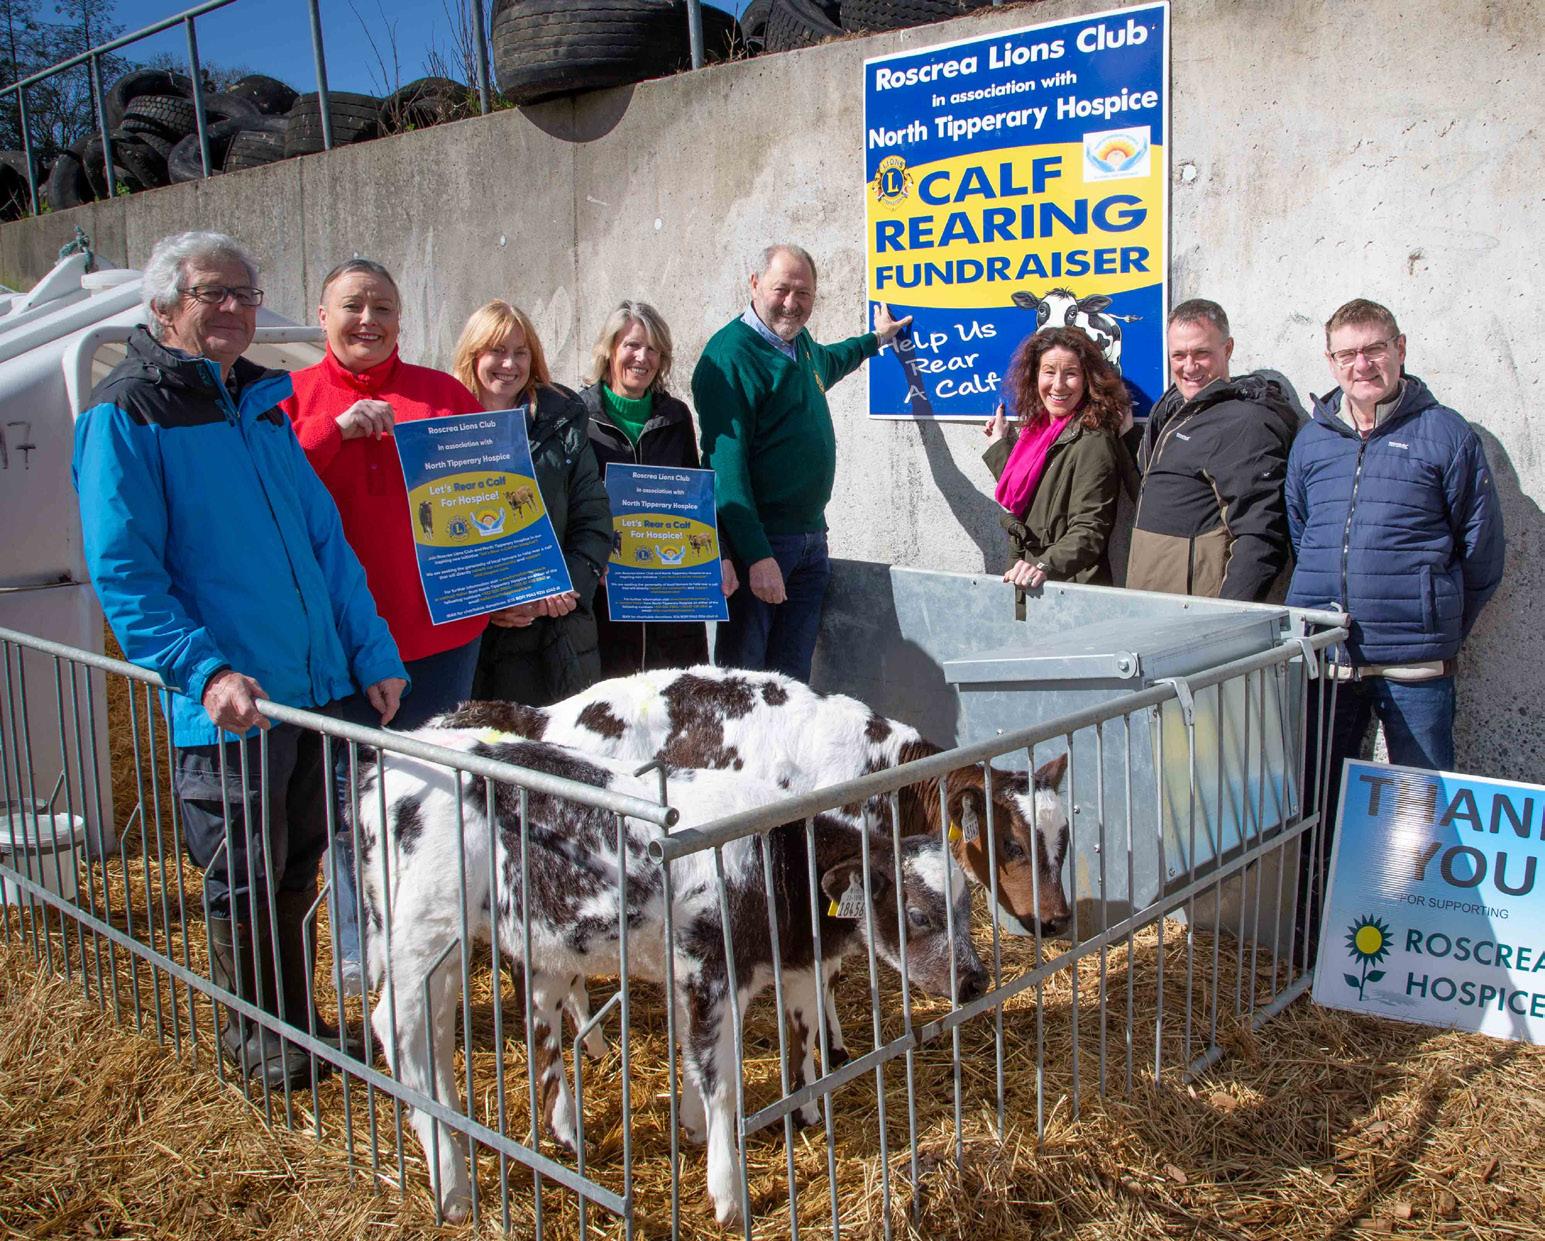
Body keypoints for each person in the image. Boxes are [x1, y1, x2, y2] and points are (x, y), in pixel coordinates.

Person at [72, 231, 406, 1088]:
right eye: (211, 293)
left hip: (309, 686)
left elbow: (324, 543)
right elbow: (125, 570)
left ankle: (298, 1023)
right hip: (232, 698)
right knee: (241, 875)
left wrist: (370, 650)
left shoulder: (260, 403)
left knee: (295, 864)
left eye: (246, 294)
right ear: (162, 307)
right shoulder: (127, 412)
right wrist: (204, 671)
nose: (233, 308)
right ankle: (258, 1042)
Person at [281, 257, 484, 991]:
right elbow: (269, 492)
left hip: (439, 636)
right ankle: (358, 950)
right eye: (353, 306)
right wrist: (331, 432)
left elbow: (489, 501)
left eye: (383, 308)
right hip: (335, 642)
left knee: (434, 794)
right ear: (322, 314)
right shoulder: (288, 400)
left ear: (402, 319)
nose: (368, 320)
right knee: (347, 802)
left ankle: (431, 944)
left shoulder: (443, 395)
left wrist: (510, 585)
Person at [1287, 298, 1504, 952]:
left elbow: (1481, 552)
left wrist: (1436, 622)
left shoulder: (1446, 434)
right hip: (1329, 658)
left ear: (1399, 349)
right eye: (1347, 353)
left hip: (1415, 665)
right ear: (1330, 361)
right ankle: (1315, 942)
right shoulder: (1312, 439)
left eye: (1374, 348)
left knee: (1421, 807)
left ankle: (1415, 952)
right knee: (1317, 800)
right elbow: (1303, 532)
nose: (1362, 364)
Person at [692, 243, 910, 680]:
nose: (792, 303)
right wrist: (756, 556)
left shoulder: (799, 345)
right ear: (754, 284)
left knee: (792, 682)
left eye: (804, 293)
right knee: (745, 683)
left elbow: (832, 361)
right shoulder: (730, 356)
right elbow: (725, 471)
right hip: (763, 543)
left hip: (810, 540)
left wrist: (876, 340)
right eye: (782, 289)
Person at [452, 300, 613, 705]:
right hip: (468, 641)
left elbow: (593, 519)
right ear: (473, 354)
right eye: (497, 350)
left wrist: (559, 588)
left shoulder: (563, 420)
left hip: (552, 636)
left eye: (520, 352)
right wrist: (486, 606)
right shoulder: (443, 423)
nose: (509, 364)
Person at [579, 300, 738, 677]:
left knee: (674, 697)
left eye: (653, 349)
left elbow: (695, 497)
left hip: (670, 596)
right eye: (632, 345)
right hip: (606, 596)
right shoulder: (579, 416)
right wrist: (588, 559)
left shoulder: (675, 416)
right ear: (609, 350)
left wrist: (720, 554)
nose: (642, 357)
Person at [1126, 299, 1299, 601]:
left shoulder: (1243, 423)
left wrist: (1226, 617)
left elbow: (1259, 535)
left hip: (1199, 612)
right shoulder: (1173, 415)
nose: (1189, 366)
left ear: (1227, 349)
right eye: (1179, 355)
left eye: (1201, 353)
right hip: (1154, 603)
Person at [982, 326, 1137, 603]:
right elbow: (1035, 493)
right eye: (1049, 372)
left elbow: (1090, 529)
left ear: (1088, 379)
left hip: (1068, 588)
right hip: (1031, 578)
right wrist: (1000, 446)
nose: (1058, 385)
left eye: (1071, 373)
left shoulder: (1093, 439)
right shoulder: (1039, 431)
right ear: (1035, 376)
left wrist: (1044, 565)